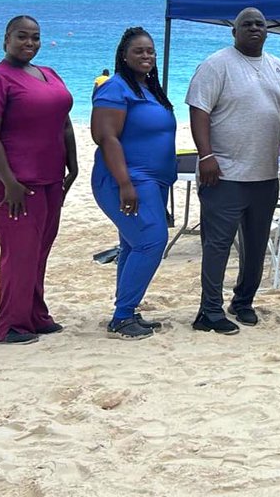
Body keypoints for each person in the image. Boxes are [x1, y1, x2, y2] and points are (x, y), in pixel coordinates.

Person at [186, 7, 280, 335]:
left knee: (256, 244)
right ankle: (208, 311)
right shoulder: (216, 64)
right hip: (223, 175)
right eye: (246, 24)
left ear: (267, 31)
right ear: (234, 32)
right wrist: (206, 156)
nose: (253, 29)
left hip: (264, 175)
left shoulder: (279, 68)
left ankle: (243, 302)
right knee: (218, 245)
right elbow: (199, 111)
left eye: (259, 24)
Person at [0, 15, 78, 344]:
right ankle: (11, 325)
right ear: (6, 40)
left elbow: (63, 121)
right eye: (21, 37)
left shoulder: (49, 74)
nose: (29, 43)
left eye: (35, 37)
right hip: (6, 180)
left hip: (47, 177)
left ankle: (34, 314)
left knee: (39, 248)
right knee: (20, 249)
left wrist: (72, 163)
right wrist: (9, 182)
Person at [90, 27, 177, 340]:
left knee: (132, 243)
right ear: (123, 56)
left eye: (150, 51)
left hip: (153, 181)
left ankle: (124, 311)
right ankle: (122, 316)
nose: (146, 56)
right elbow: (105, 137)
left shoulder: (149, 89)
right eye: (139, 51)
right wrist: (124, 182)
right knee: (152, 241)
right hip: (126, 179)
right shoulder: (115, 88)